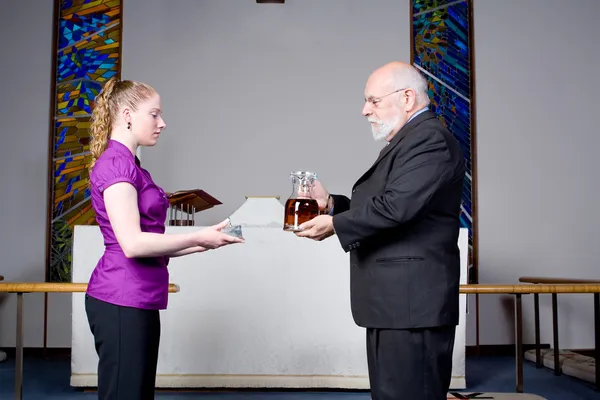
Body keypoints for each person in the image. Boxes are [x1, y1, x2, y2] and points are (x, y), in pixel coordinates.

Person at [295, 61, 465, 400]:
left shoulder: (429, 140)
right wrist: (331, 204)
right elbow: (390, 202)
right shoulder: (412, 139)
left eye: (373, 100)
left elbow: (397, 208)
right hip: (396, 304)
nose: (364, 110)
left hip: (412, 305)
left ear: (406, 98)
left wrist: (335, 225)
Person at [85, 77, 243, 399]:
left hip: (137, 296)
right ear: (127, 114)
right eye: (154, 114)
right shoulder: (116, 165)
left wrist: (204, 242)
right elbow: (133, 244)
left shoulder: (133, 166)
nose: (162, 123)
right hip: (120, 297)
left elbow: (149, 240)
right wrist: (198, 236)